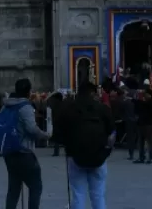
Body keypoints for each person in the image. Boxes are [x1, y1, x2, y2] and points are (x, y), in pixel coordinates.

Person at [56, 81, 115, 209]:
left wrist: (68, 146)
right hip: (99, 156)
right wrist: (107, 150)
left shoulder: (68, 109)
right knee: (98, 195)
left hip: (75, 156)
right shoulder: (103, 109)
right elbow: (112, 134)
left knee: (78, 194)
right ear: (93, 93)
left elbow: (59, 134)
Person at [1, 78, 50, 209]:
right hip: (24, 153)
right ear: (29, 91)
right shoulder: (25, 107)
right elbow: (32, 129)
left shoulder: (5, 106)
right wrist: (46, 135)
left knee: (13, 188)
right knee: (35, 186)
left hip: (9, 153)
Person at [134, 88, 152, 164]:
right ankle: (142, 157)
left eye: (146, 94)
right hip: (142, 124)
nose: (145, 95)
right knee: (141, 142)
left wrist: (139, 100)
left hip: (149, 124)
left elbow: (145, 105)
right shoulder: (143, 102)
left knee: (150, 142)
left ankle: (151, 157)